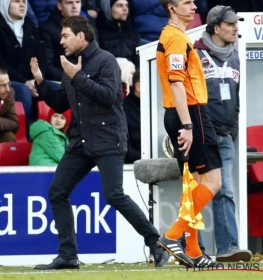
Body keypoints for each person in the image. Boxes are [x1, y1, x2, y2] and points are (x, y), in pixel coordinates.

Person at [30, 16, 169, 270]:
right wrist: (40, 82)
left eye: (65, 36)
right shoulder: (69, 64)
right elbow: (61, 103)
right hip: (81, 141)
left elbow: (108, 96)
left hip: (108, 138)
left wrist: (78, 76)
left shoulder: (106, 60)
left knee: (114, 195)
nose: (60, 41)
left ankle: (157, 244)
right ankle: (68, 255)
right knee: (57, 191)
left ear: (81, 37)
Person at [156, 0, 222, 267]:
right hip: (191, 114)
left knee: (192, 184)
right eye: (187, 2)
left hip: (180, 113)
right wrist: (188, 125)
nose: (194, 6)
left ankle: (193, 251)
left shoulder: (174, 35)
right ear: (172, 7)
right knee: (214, 181)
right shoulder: (174, 38)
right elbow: (176, 83)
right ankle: (173, 236)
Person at [193, 5, 252, 262]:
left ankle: (228, 248)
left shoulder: (236, 56)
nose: (236, 28)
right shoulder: (195, 53)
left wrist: (232, 130)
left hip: (225, 135)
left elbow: (236, 99)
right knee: (197, 192)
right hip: (202, 135)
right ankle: (194, 249)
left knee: (225, 190)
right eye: (230, 24)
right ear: (216, 27)